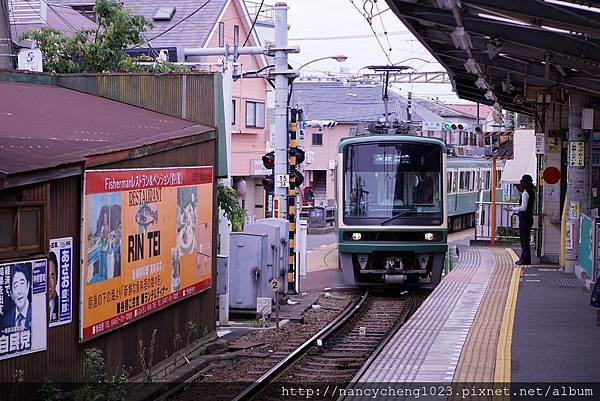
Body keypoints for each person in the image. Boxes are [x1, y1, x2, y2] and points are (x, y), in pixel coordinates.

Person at [510, 174, 535, 265]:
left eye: (521, 182)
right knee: (526, 239)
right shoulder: (531, 192)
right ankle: (526, 259)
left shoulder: (525, 193)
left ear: (524, 183)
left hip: (525, 218)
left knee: (524, 240)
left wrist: (513, 209)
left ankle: (524, 259)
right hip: (529, 217)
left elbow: (524, 207)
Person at [1, 263, 33, 333]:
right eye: (15, 286)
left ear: (28, 286)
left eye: (22, 283)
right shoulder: (5, 321)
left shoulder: (36, 312)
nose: (19, 291)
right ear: (11, 294)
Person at [48, 252, 59, 323]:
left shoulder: (62, 306)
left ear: (56, 279)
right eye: (45, 277)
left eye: (52, 277)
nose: (49, 284)